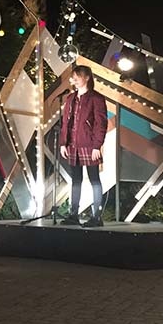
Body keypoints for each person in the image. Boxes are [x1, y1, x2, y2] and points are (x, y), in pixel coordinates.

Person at [58, 65, 108, 228]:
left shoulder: (96, 98)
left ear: (86, 78)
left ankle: (96, 217)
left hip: (89, 144)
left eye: (77, 76)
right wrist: (63, 143)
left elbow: (101, 123)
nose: (74, 80)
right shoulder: (70, 98)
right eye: (73, 77)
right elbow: (65, 122)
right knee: (76, 179)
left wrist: (97, 146)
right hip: (72, 144)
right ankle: (73, 214)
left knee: (94, 179)